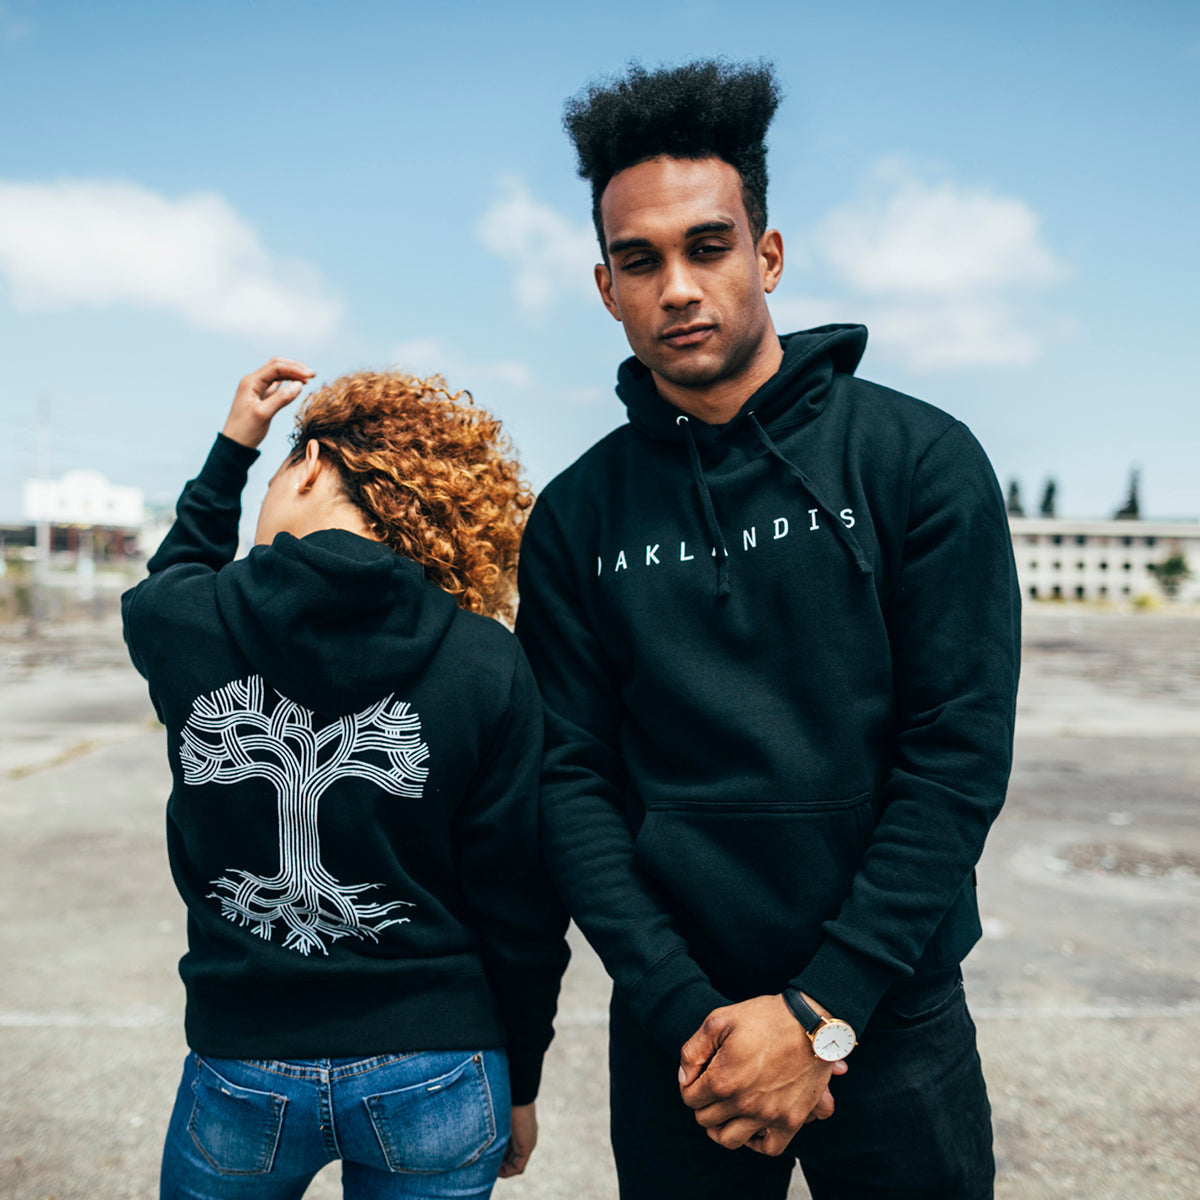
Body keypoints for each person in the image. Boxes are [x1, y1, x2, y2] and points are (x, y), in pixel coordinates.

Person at [515, 60, 1020, 1199]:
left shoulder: (919, 462)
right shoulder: (576, 519)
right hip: (680, 1042)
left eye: (707, 246)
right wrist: (687, 1010)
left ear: (768, 254)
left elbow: (955, 757)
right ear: (605, 286)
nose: (677, 287)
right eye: (639, 261)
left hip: (890, 1017)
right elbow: (571, 783)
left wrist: (822, 1012)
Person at [123, 359, 569, 1199]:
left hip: (243, 1060)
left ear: (314, 463)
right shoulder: (485, 660)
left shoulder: (189, 621)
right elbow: (521, 902)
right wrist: (523, 1080)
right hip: (439, 1058)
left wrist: (233, 449)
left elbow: (171, 571)